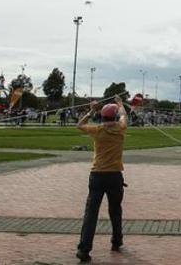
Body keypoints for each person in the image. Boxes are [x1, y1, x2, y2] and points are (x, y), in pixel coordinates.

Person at [76, 100, 128, 262]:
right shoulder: (120, 128)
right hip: (115, 176)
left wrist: (91, 110)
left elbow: (79, 125)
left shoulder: (97, 130)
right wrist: (120, 104)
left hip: (97, 175)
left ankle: (84, 249)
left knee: (91, 213)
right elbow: (124, 116)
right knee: (115, 210)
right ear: (114, 116)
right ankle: (116, 241)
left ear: (102, 116)